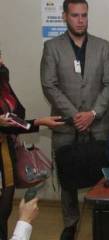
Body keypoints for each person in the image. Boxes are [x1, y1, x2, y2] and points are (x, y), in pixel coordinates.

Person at [40, 0, 109, 239]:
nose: (80, 20)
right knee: (67, 177)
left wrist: (92, 113)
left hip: (99, 123)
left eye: (84, 15)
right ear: (64, 17)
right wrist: (75, 115)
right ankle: (70, 224)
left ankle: (103, 218)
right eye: (75, 15)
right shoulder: (52, 46)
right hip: (66, 126)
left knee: (102, 174)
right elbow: (48, 84)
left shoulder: (102, 46)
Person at [0, 57, 63, 240]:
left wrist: (38, 122)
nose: (2, 61)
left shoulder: (3, 83)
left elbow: (16, 117)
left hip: (6, 157)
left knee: (3, 213)